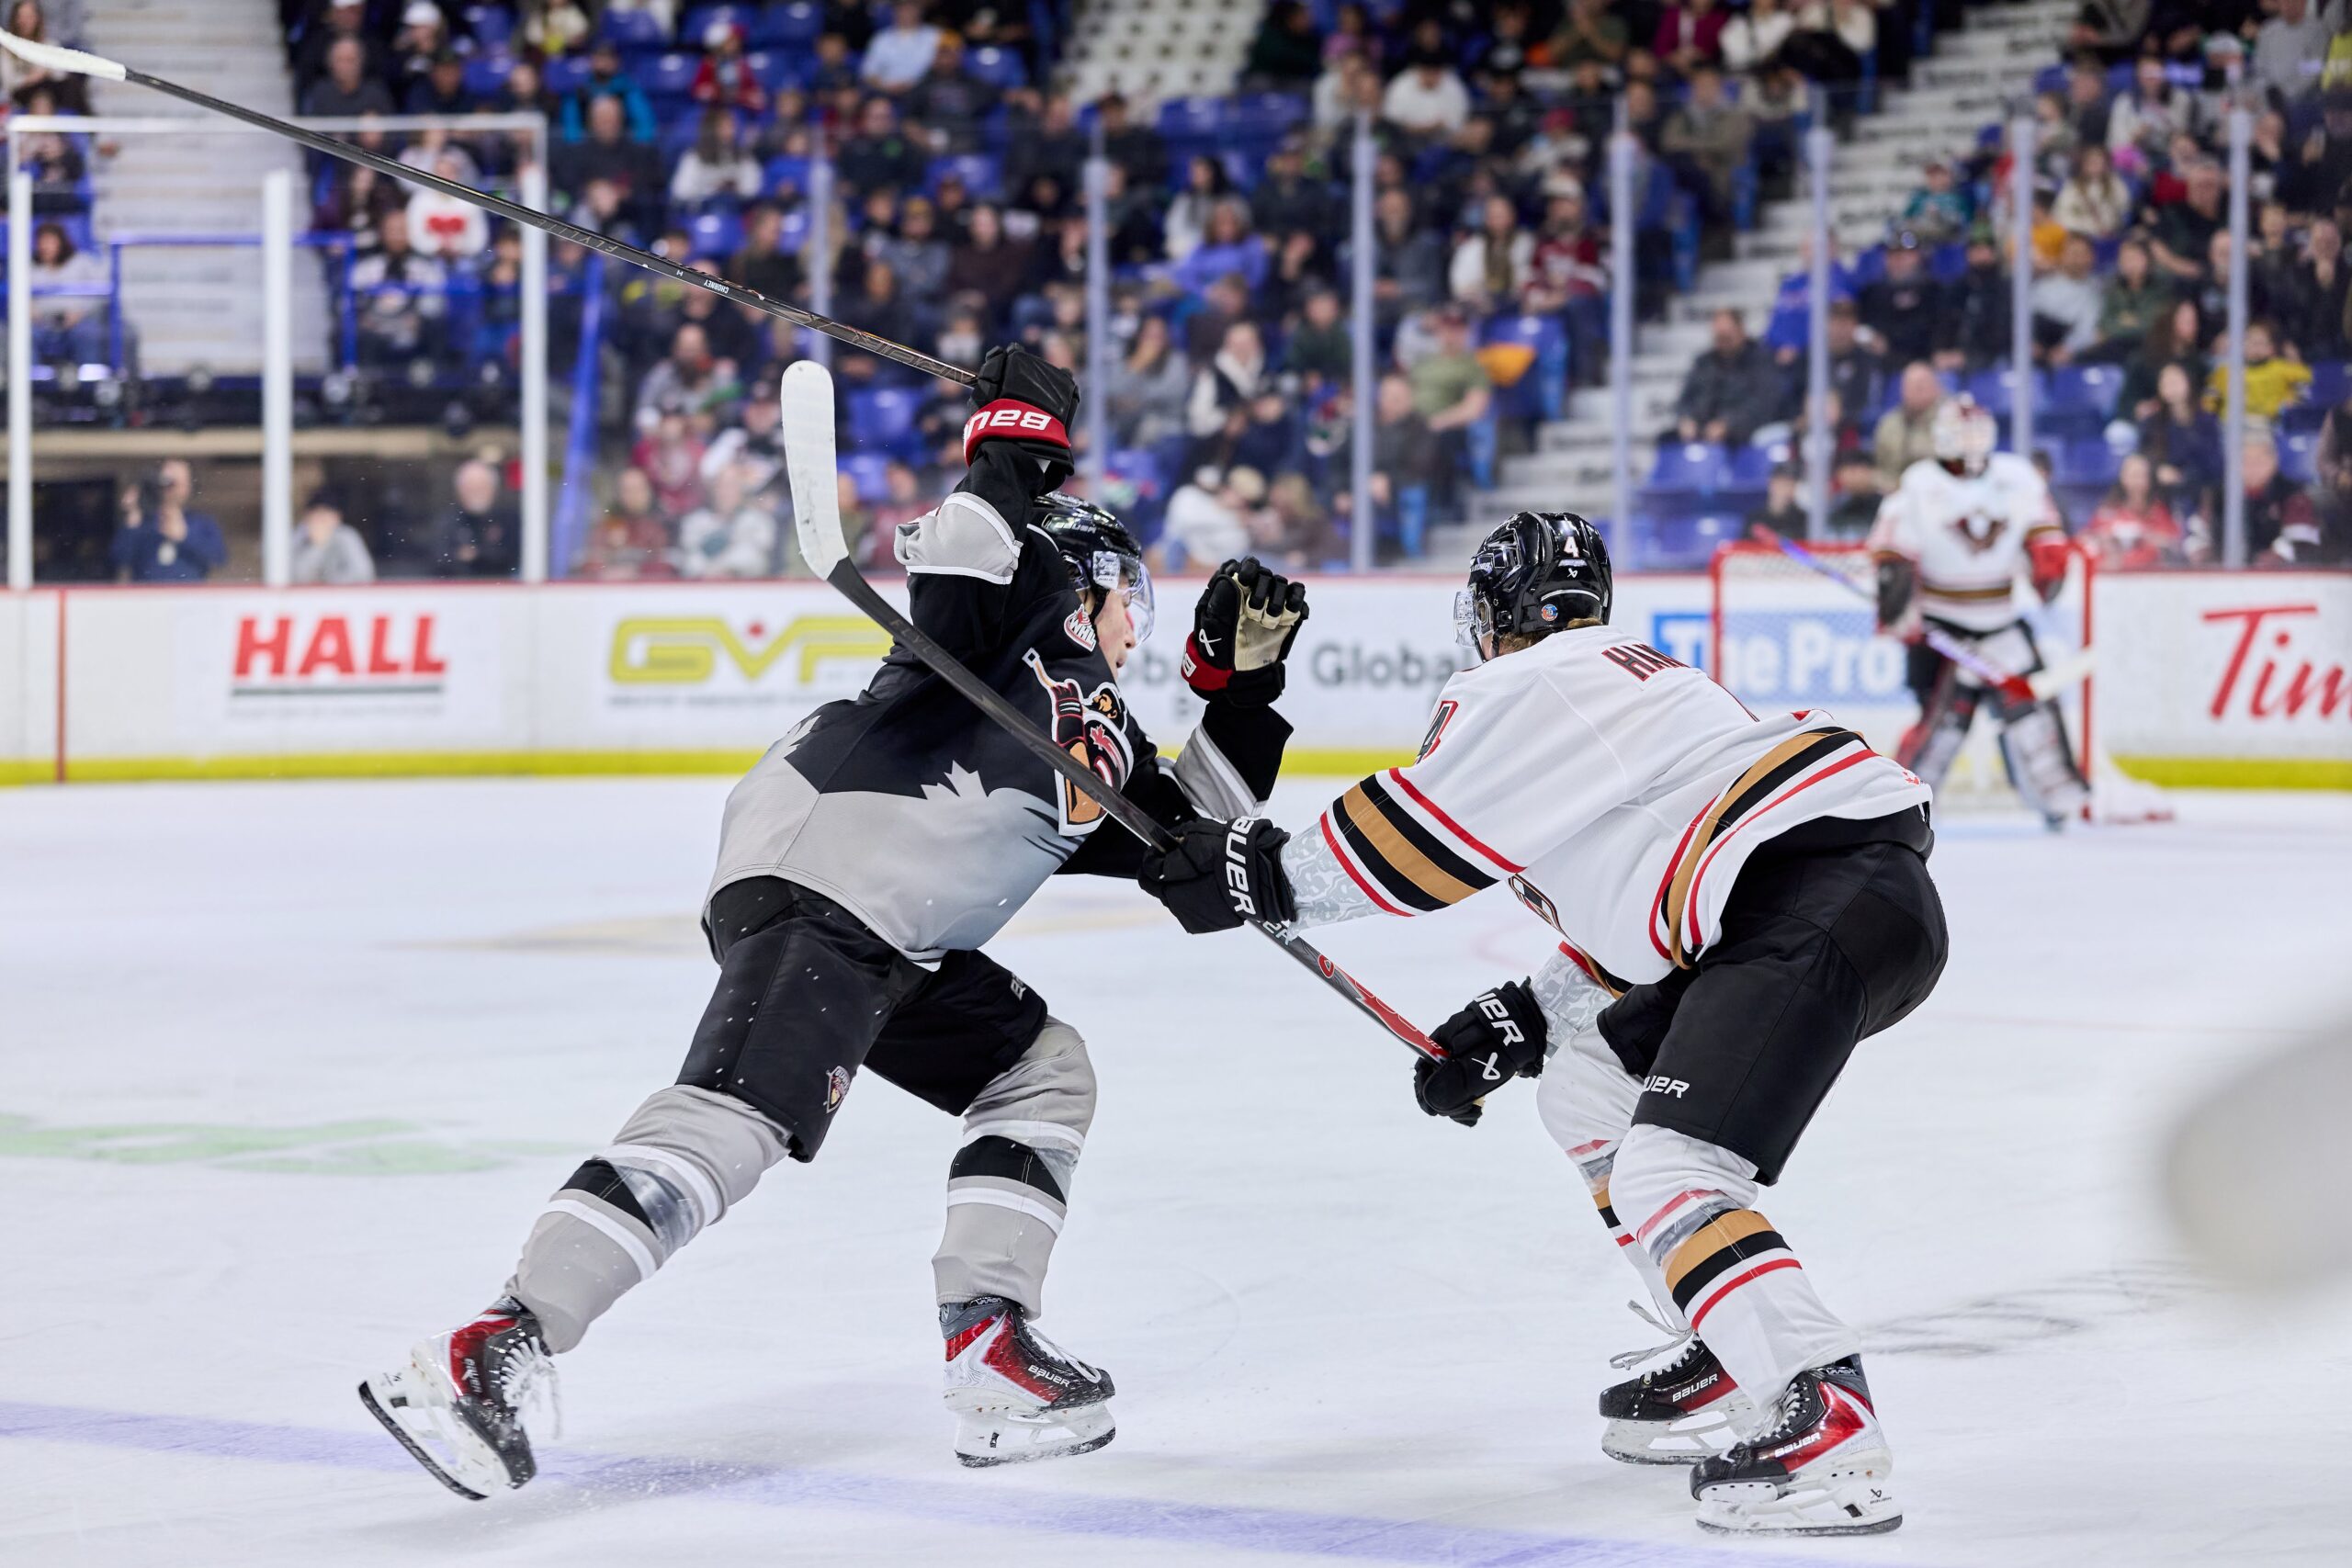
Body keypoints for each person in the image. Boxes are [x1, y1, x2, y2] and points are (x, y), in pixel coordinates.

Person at [361, 346, 1312, 1489]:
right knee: (728, 1126)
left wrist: (1240, 693)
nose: (1136, 623)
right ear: (1083, 585)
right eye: (1128, 598)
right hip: (831, 890)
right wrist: (1018, 441)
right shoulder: (1004, 627)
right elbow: (961, 553)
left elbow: (1190, 845)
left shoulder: (1095, 733)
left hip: (900, 939)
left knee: (1042, 1071)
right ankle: (487, 1348)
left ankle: (992, 1344)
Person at [1136, 511, 1943, 1538]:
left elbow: (1411, 843)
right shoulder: (1629, 678)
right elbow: (1647, 893)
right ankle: (1728, 1340)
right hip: (1832, 898)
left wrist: (1261, 875)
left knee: (1671, 1169)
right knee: (1585, 1081)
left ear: (1490, 613)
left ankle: (1820, 1409)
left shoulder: (1530, 680)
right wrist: (1524, 1013)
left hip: (1804, 905)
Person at [1870, 398, 2087, 827]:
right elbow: (1891, 554)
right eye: (1961, 433)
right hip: (1943, 625)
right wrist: (1897, 601)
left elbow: (2045, 532)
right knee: (1944, 728)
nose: (1971, 442)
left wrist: (2048, 560)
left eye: (1977, 432)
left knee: (2032, 719)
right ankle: (1900, 805)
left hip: (2001, 620)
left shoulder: (2017, 477)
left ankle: (2059, 801)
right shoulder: (1919, 483)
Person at [1673, 310, 1781, 446]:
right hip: (1703, 432)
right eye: (1719, 336)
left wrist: (1728, 424)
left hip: (1743, 435)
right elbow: (1685, 399)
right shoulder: (1704, 363)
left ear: (1741, 331)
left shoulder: (1760, 360)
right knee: (1667, 439)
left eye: (1727, 335)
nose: (1723, 340)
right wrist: (1687, 419)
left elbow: (1763, 404)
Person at [108, 470, 226, 583]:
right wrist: (133, 517)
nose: (169, 489)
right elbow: (119, 559)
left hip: (189, 593)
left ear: (189, 486)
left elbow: (219, 558)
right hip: (147, 594)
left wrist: (185, 537)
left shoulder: (201, 522)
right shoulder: (145, 522)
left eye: (176, 484)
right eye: (165, 484)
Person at [2081, 454, 2186, 570]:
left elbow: (2173, 544)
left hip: (2148, 574)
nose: (2137, 481)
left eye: (2141, 475)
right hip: (2114, 574)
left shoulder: (2158, 512)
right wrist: (2106, 539)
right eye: (2133, 475)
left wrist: (2145, 536)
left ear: (2149, 480)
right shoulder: (2108, 511)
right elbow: (2085, 539)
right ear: (2123, 477)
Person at [435, 458, 519, 579]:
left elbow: (512, 556)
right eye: (470, 487)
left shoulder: (509, 521)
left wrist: (478, 554)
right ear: (459, 491)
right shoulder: (447, 522)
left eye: (481, 486)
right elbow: (438, 560)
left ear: (494, 489)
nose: (476, 492)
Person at [1872, 362, 1946, 491]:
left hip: (1941, 490)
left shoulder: (1953, 417)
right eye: (1910, 385)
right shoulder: (1889, 423)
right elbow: (1881, 465)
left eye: (1921, 384)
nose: (1916, 390)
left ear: (1937, 387)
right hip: (1896, 490)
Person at [288, 495, 377, 584]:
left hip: (341, 592)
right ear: (307, 517)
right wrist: (316, 546)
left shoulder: (347, 536)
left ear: (336, 517)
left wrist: (328, 582)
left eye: (325, 516)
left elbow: (363, 573)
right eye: (318, 516)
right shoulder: (298, 537)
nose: (321, 522)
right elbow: (294, 576)